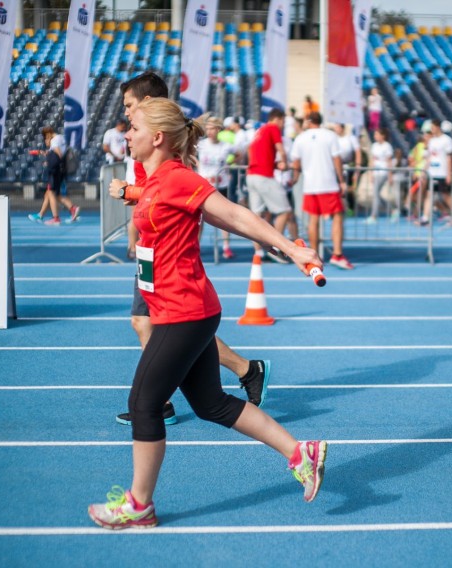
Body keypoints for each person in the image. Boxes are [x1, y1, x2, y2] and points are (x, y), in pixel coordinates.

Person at [88, 98, 327, 529]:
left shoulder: (178, 178)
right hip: (177, 308)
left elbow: (233, 214)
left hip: (184, 310)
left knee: (144, 403)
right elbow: (163, 202)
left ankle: (139, 505)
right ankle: (300, 452)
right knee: (211, 403)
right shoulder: (159, 179)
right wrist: (133, 194)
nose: (126, 134)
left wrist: (290, 249)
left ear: (157, 138)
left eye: (134, 127)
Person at [108, 72, 271, 427]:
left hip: (169, 263)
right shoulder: (146, 147)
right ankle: (243, 371)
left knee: (160, 329)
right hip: (155, 261)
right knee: (199, 379)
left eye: (130, 108)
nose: (126, 123)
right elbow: (155, 196)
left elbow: (216, 209)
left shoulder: (168, 160)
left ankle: (159, 401)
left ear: (150, 110)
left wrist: (286, 245)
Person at [290, 111, 354, 270]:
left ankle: (315, 255)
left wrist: (295, 179)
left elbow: (296, 163)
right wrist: (342, 181)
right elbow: (337, 159)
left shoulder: (300, 138)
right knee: (337, 218)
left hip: (310, 185)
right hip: (328, 183)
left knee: (313, 220)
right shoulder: (330, 136)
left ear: (309, 121)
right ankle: (337, 254)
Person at [245, 108, 293, 259]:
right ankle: (275, 247)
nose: (283, 126)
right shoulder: (273, 128)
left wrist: (273, 164)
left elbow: (252, 151)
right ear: (277, 119)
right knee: (284, 211)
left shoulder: (260, 130)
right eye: (283, 122)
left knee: (256, 216)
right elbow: (281, 150)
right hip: (263, 176)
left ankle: (258, 251)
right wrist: (284, 163)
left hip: (252, 174)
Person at [197, 116, 238, 258]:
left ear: (218, 129)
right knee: (199, 217)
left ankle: (226, 246)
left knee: (224, 217)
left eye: (212, 128)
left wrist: (229, 166)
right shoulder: (201, 144)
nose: (209, 131)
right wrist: (197, 166)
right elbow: (189, 154)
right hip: (203, 185)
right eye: (207, 128)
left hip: (221, 185)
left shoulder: (226, 146)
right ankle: (196, 246)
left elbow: (238, 154)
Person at [27, 126, 80, 225]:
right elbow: (56, 153)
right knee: (50, 193)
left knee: (52, 193)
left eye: (45, 137)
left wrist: (51, 163)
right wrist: (48, 156)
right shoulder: (60, 138)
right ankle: (41, 214)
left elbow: (58, 154)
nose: (46, 140)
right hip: (59, 170)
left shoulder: (54, 141)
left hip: (55, 171)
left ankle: (58, 217)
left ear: (48, 134)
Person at [422, 120, 452, 225]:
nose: (431, 130)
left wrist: (449, 174)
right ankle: (425, 218)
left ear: (438, 127)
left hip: (442, 172)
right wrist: (424, 170)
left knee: (446, 196)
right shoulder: (432, 141)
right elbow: (430, 157)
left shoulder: (447, 140)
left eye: (433, 127)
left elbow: (449, 158)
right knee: (428, 194)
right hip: (432, 173)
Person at [332, 123, 362, 212]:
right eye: (335, 128)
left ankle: (351, 207)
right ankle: (337, 208)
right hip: (337, 167)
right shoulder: (333, 139)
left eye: (337, 127)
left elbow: (357, 151)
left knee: (349, 189)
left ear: (342, 128)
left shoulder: (351, 138)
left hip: (349, 167)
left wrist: (358, 166)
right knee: (337, 188)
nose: (336, 129)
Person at [367, 127, 393, 222]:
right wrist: (371, 173)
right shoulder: (374, 146)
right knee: (376, 194)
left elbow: (389, 161)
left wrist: (390, 176)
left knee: (375, 194)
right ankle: (392, 209)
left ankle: (374, 215)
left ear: (383, 136)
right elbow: (372, 160)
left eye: (377, 134)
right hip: (376, 172)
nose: (375, 136)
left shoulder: (387, 146)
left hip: (383, 172)